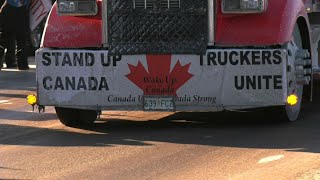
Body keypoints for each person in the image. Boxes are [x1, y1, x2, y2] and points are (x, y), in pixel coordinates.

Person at [0, 0, 30, 70]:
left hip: (9, 8)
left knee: (5, 37)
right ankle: (22, 64)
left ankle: (13, 62)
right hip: (20, 9)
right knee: (21, 39)